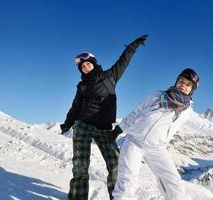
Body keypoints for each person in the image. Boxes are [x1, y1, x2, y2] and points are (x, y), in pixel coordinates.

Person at [109, 68, 213, 200]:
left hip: (157, 148)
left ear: (191, 90)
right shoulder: (157, 95)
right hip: (134, 141)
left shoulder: (187, 112)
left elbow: (208, 127)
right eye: (181, 81)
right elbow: (136, 113)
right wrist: (119, 129)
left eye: (188, 84)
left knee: (174, 183)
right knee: (127, 180)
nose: (183, 85)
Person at [60, 35, 148, 200]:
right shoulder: (82, 86)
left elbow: (123, 61)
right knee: (80, 167)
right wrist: (67, 123)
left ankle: (117, 197)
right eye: (82, 66)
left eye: (88, 64)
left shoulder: (110, 76)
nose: (85, 67)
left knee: (115, 165)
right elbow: (76, 107)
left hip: (104, 128)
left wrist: (132, 46)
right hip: (83, 125)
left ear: (94, 63)